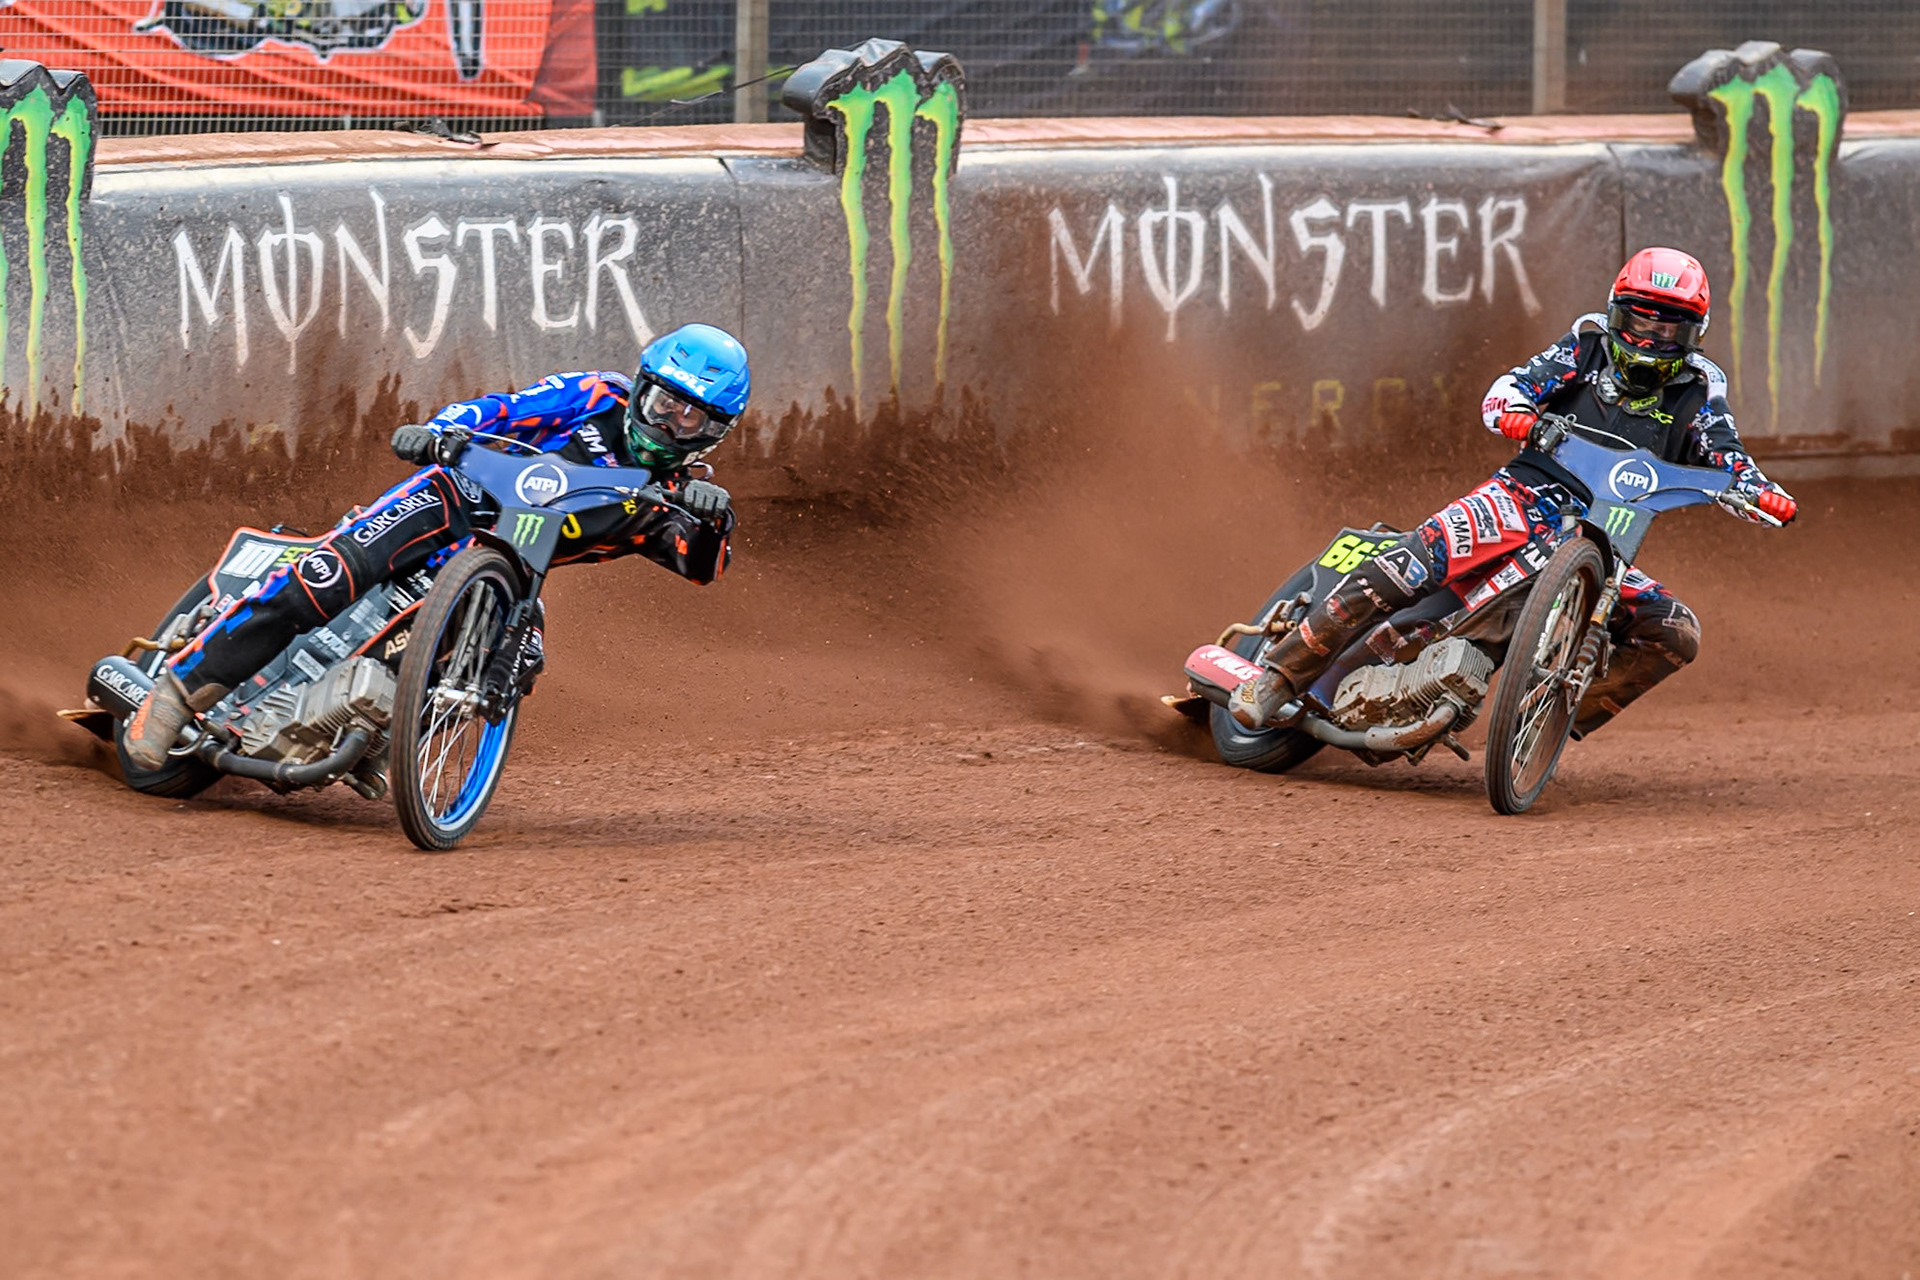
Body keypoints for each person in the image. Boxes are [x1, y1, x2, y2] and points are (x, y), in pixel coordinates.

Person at [1228, 247, 1797, 738]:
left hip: (1606, 540)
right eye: (1639, 321)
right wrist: (1524, 417)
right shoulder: (1585, 348)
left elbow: (1728, 455)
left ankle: (1549, 717)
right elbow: (1508, 390)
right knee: (1411, 565)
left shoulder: (1699, 392)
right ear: (1614, 311)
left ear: (1693, 334)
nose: (1649, 338)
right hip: (1523, 497)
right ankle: (1277, 676)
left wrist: (1758, 490)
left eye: (1668, 328)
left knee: (1674, 631)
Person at [125, 322, 750, 770]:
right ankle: (178, 693)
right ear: (642, 387)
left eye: (691, 418)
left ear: (713, 434)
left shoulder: (675, 498)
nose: (669, 423)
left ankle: (389, 739)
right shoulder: (594, 396)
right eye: (664, 402)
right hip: (456, 495)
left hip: (514, 567)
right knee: (327, 575)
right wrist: (442, 430)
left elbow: (702, 566)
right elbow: (503, 410)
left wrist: (713, 521)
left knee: (517, 658)